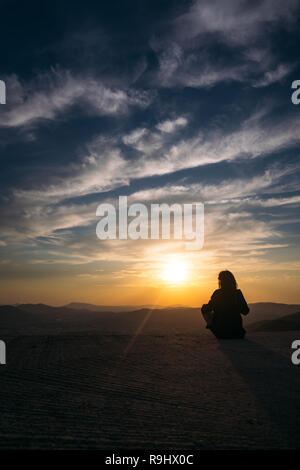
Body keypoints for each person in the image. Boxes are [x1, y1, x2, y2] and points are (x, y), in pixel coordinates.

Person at [201, 270, 249, 339]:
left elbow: (208, 308)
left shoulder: (217, 293)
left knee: (204, 307)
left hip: (221, 333)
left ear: (221, 281)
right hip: (238, 333)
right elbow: (246, 311)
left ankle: (211, 325)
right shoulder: (238, 293)